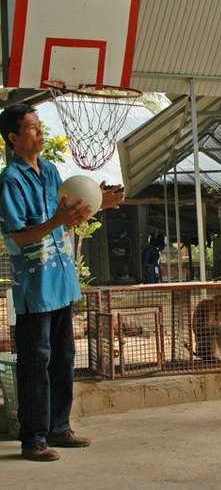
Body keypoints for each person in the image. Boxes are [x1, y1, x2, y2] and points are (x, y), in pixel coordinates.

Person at [0, 104, 124, 461]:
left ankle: (59, 427)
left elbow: (67, 219)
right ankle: (33, 438)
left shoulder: (52, 171)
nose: (40, 132)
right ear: (13, 138)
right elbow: (17, 237)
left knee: (63, 357)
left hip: (62, 282)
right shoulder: (10, 180)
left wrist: (97, 203)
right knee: (35, 361)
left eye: (40, 125)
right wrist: (58, 220)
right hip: (35, 289)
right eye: (32, 127)